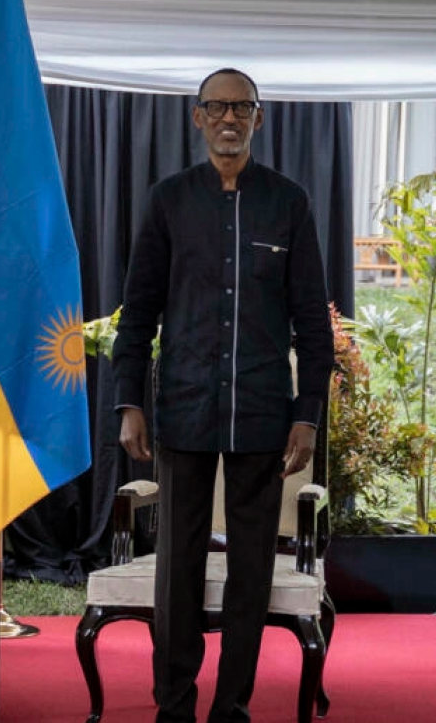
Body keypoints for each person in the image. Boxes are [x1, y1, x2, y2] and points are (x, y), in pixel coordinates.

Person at [111, 68, 334, 723]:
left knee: (250, 575)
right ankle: (174, 706)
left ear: (259, 120)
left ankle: (231, 708)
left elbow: (312, 324)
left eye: (242, 107)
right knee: (177, 569)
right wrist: (130, 399)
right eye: (217, 106)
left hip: (264, 417)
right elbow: (139, 311)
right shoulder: (169, 200)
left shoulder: (287, 203)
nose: (229, 117)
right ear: (198, 117)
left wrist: (308, 415)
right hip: (183, 409)